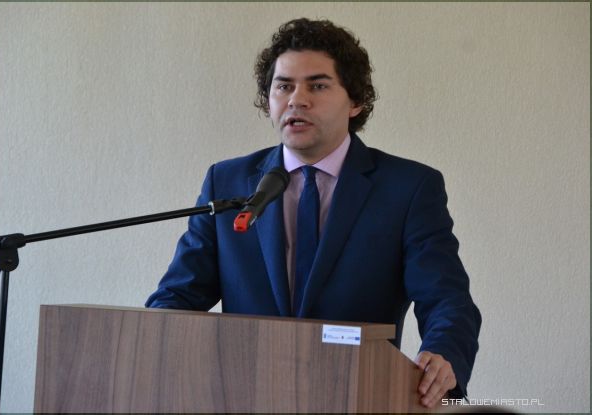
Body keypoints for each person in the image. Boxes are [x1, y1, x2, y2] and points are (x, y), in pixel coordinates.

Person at [146, 17, 481, 408]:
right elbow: (179, 295)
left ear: (355, 101)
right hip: (244, 396)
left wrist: (442, 353)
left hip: (356, 396)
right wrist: (150, 341)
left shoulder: (407, 188)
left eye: (317, 86)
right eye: (283, 86)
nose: (297, 100)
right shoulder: (228, 183)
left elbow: (446, 298)